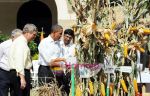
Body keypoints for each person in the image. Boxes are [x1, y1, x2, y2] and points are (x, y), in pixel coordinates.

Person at [8, 24, 37, 96]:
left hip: (17, 73)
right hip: (19, 73)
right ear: (27, 32)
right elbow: (19, 60)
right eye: (34, 34)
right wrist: (22, 78)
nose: (34, 37)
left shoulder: (20, 42)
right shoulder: (21, 43)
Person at [0, 29, 22, 96]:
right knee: (3, 92)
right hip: (4, 72)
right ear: (12, 37)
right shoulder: (3, 45)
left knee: (15, 92)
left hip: (16, 72)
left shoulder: (21, 45)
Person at [60, 28, 76, 95]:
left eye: (70, 37)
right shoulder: (58, 45)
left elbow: (73, 59)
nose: (68, 39)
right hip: (59, 71)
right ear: (63, 35)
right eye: (67, 36)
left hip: (69, 72)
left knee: (67, 90)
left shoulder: (73, 47)